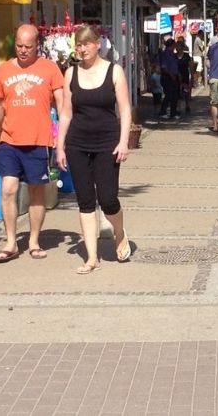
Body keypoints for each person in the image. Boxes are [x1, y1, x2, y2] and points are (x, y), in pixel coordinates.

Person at [55, 25, 133, 273]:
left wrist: (123, 142)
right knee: (85, 200)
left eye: (86, 43)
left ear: (98, 44)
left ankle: (119, 233)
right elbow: (66, 113)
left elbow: (125, 110)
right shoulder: (70, 74)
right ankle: (92, 257)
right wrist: (60, 146)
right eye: (78, 44)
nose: (82, 48)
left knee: (108, 199)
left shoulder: (114, 71)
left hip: (107, 143)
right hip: (78, 143)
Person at [0, 23, 64, 263]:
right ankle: (11, 241)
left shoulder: (50, 69)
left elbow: (62, 103)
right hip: (10, 140)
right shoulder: (4, 70)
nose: (22, 50)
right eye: (19, 45)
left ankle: (33, 240)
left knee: (36, 192)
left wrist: (62, 135)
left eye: (28, 47)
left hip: (39, 140)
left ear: (36, 45)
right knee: (8, 189)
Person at [157, 37, 180, 119]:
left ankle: (173, 113)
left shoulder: (173, 54)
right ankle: (162, 111)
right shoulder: (165, 54)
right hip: (167, 77)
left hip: (174, 76)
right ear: (172, 45)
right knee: (169, 95)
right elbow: (164, 67)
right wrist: (171, 75)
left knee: (174, 95)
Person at [176, 40, 193, 114]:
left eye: (179, 46)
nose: (177, 48)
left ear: (182, 47)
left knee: (185, 91)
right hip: (176, 75)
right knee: (177, 91)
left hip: (185, 75)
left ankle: (187, 105)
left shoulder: (186, 56)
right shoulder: (174, 56)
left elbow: (190, 65)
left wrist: (192, 75)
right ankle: (178, 107)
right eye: (176, 46)